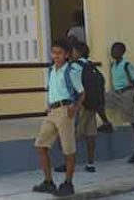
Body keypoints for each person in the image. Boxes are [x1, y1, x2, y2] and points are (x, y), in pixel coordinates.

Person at [32, 39, 84, 197]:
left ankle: (68, 182)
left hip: (65, 110)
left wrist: (74, 108)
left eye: (59, 53)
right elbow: (52, 89)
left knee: (68, 150)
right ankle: (48, 182)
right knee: (41, 145)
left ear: (67, 55)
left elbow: (82, 92)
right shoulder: (51, 70)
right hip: (52, 111)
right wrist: (48, 104)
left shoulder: (70, 71)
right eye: (53, 52)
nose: (56, 56)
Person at [53, 42, 103, 174]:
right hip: (91, 104)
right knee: (90, 134)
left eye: (73, 51)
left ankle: (68, 163)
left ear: (78, 53)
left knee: (69, 134)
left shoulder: (74, 66)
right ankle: (90, 163)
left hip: (79, 104)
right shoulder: (90, 65)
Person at [100, 42, 134, 163]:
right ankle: (106, 123)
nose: (113, 53)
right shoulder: (113, 65)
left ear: (122, 52)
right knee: (99, 99)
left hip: (126, 93)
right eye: (112, 50)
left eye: (116, 50)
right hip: (116, 93)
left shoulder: (126, 65)